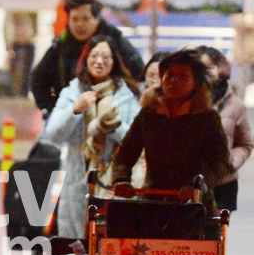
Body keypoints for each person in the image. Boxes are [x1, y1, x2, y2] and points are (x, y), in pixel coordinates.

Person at [44, 35, 141, 238]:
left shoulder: (127, 95)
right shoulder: (73, 92)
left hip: (113, 181)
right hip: (78, 177)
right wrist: (75, 110)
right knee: (77, 244)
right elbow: (53, 134)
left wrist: (113, 126)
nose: (99, 61)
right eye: (94, 56)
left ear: (114, 62)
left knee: (110, 242)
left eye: (106, 57)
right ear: (86, 59)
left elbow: (137, 141)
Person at [112, 49, 230, 210]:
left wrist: (198, 186)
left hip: (197, 207)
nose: (174, 82)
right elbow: (125, 153)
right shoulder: (149, 114)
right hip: (153, 203)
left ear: (195, 83)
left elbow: (220, 162)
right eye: (169, 75)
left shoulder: (207, 117)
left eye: (183, 76)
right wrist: (121, 179)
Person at [31, 0, 144, 118]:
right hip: (71, 117)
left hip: (111, 116)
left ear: (97, 19)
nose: (79, 25)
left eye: (85, 19)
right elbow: (38, 79)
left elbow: (139, 73)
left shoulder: (115, 42)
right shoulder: (60, 45)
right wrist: (52, 110)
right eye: (74, 19)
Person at [197, 46, 253, 212]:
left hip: (222, 185)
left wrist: (230, 163)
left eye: (208, 67)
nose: (204, 73)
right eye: (198, 68)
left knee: (215, 236)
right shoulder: (182, 101)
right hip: (187, 183)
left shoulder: (235, 105)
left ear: (221, 68)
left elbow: (246, 143)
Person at [4, 0, 37, 97]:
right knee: (15, 71)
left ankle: (23, 95)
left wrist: (34, 34)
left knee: (27, 71)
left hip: (28, 38)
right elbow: (8, 18)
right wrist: (8, 40)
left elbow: (35, 18)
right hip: (16, 38)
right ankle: (14, 95)